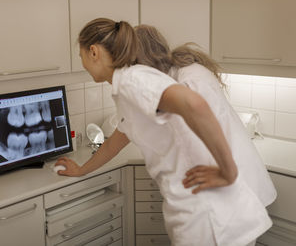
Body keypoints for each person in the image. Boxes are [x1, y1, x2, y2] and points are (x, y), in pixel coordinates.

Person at [55, 18, 272, 246]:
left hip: (210, 217)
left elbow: (195, 105)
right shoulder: (128, 85)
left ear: (93, 52)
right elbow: (116, 140)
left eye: (80, 56)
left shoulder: (133, 80)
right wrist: (81, 170)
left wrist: (228, 171)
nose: (82, 63)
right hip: (203, 212)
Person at [133, 24, 277, 210]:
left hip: (233, 179)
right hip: (225, 178)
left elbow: (199, 123)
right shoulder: (176, 75)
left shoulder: (189, 79)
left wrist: (228, 172)